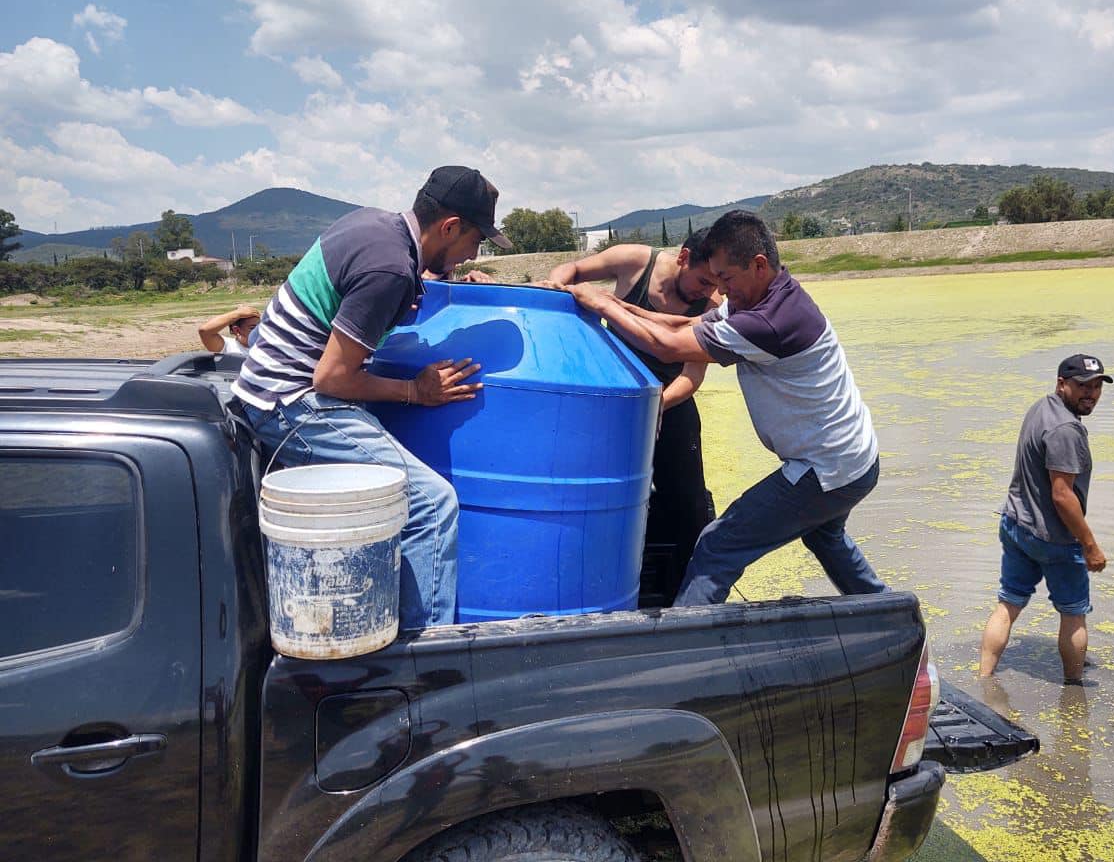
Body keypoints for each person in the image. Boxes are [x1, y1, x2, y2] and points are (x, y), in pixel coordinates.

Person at [231, 165, 512, 628]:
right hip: (291, 403)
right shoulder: (390, 267)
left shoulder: (371, 227)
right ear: (449, 227)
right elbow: (332, 379)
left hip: (264, 388)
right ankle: (424, 655)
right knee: (431, 503)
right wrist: (415, 392)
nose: (471, 253)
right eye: (475, 240)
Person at [563, 210, 886, 605]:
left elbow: (667, 346)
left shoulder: (768, 322)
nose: (720, 292)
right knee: (825, 536)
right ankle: (890, 613)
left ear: (759, 264)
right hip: (854, 458)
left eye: (726, 280)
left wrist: (601, 306)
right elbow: (679, 325)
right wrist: (623, 307)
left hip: (826, 468)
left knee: (718, 544)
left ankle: (683, 646)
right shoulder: (762, 294)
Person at [548, 233, 721, 605]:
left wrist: (656, 404)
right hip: (613, 407)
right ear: (684, 258)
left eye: (717, 284)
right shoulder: (635, 262)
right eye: (704, 280)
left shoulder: (712, 305)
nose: (708, 291)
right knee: (598, 495)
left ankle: (688, 599)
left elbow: (692, 376)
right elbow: (575, 269)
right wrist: (557, 285)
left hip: (669, 406)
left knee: (688, 506)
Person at [979, 354, 1112, 684]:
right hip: (1053, 539)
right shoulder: (1066, 429)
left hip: (1015, 524)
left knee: (1007, 605)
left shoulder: (1042, 407)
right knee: (1074, 612)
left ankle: (983, 680)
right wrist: (1090, 545)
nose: (1091, 393)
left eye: (1096, 386)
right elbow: (1062, 495)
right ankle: (1074, 688)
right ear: (1061, 384)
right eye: (1082, 385)